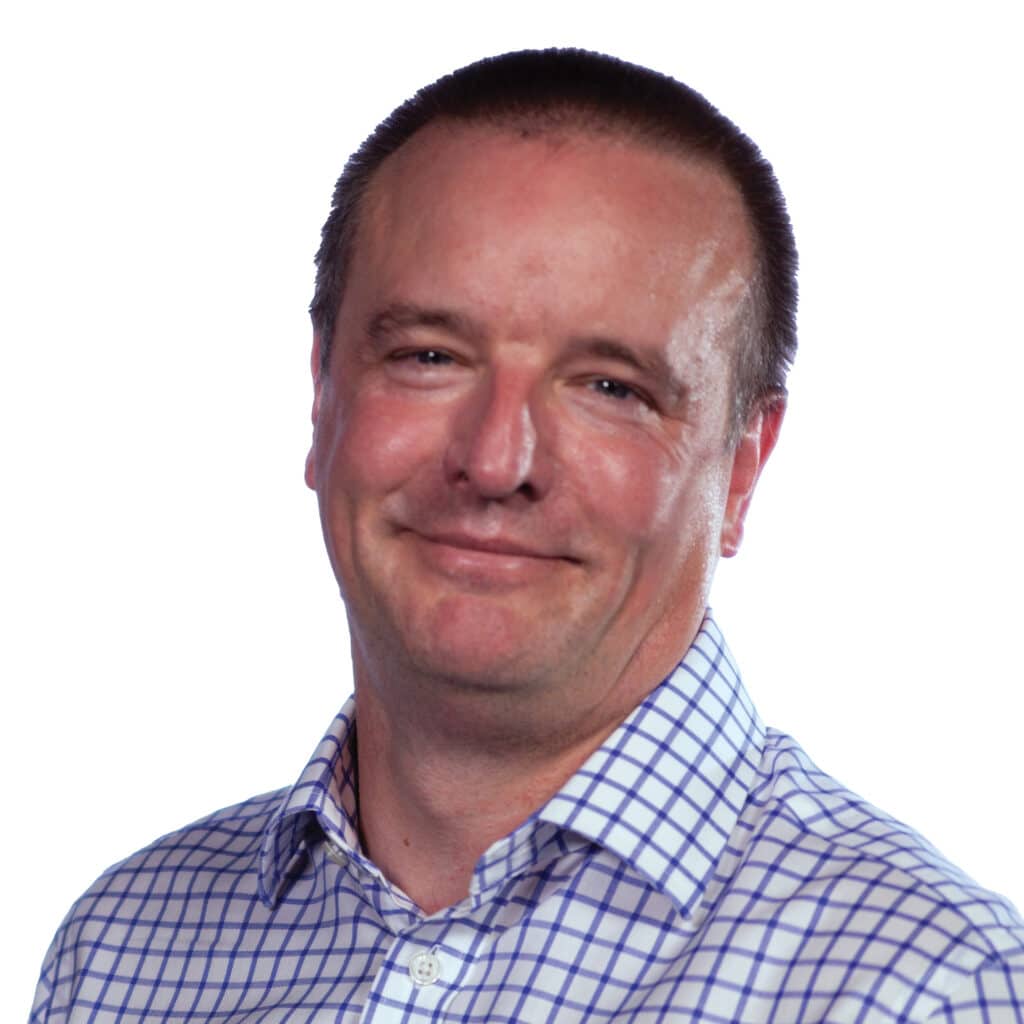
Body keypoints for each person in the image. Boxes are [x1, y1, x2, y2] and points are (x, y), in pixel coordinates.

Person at [31, 48, 1024, 1023]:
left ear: (740, 469)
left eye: (609, 387)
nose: (497, 460)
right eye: (429, 354)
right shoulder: (120, 952)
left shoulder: (931, 989)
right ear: (322, 395)